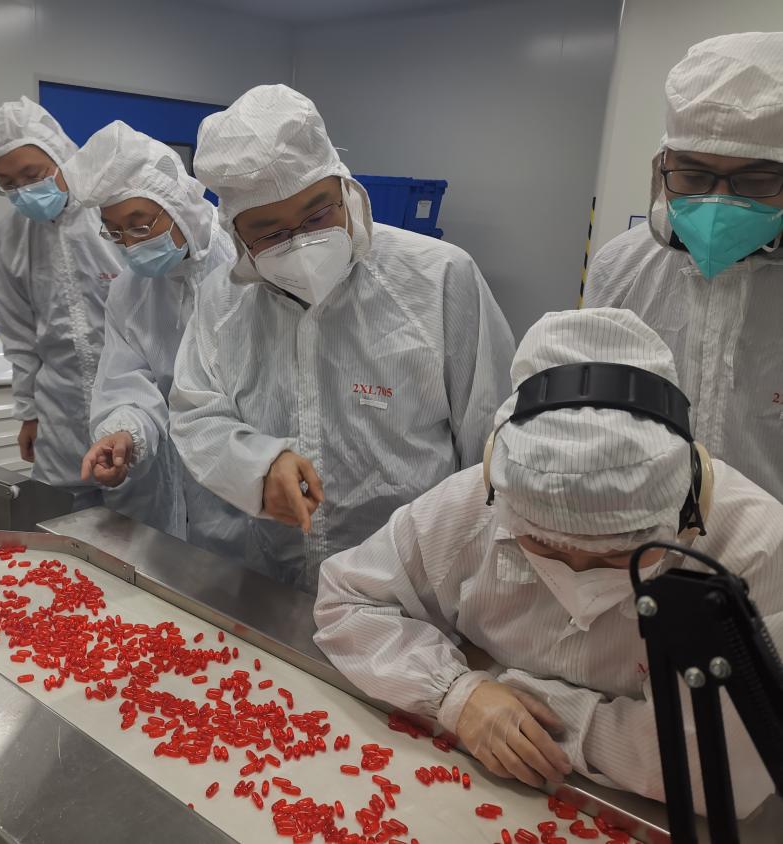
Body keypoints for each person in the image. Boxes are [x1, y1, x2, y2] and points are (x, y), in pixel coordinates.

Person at [313, 308, 783, 818]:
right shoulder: (478, 503)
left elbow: (717, 768)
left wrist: (503, 685)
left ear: (685, 508)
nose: (577, 572)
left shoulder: (757, 551)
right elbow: (346, 600)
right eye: (544, 546)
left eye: (616, 554)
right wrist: (455, 692)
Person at [169, 84, 515, 591]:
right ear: (237, 233)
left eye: (317, 215)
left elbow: (491, 438)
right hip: (276, 577)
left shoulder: (439, 277)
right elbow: (196, 412)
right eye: (271, 234)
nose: (302, 245)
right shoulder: (223, 300)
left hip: (413, 588)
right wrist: (257, 466)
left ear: (346, 190)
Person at [584, 32, 783, 503]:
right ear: (662, 167)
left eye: (756, 180)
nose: (718, 203)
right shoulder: (621, 267)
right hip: (636, 534)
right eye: (692, 175)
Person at [61, 121, 250, 559]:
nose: (129, 245)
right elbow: (129, 382)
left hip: (250, 484)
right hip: (175, 489)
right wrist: (124, 432)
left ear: (178, 205)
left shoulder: (244, 269)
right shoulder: (131, 290)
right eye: (114, 231)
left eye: (140, 226)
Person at [0, 97, 123, 508]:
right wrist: (28, 412)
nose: (24, 190)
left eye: (32, 174)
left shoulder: (109, 213)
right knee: (64, 520)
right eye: (8, 183)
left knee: (142, 526)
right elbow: (18, 332)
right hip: (60, 413)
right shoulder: (11, 234)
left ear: (61, 155)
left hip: (132, 401)